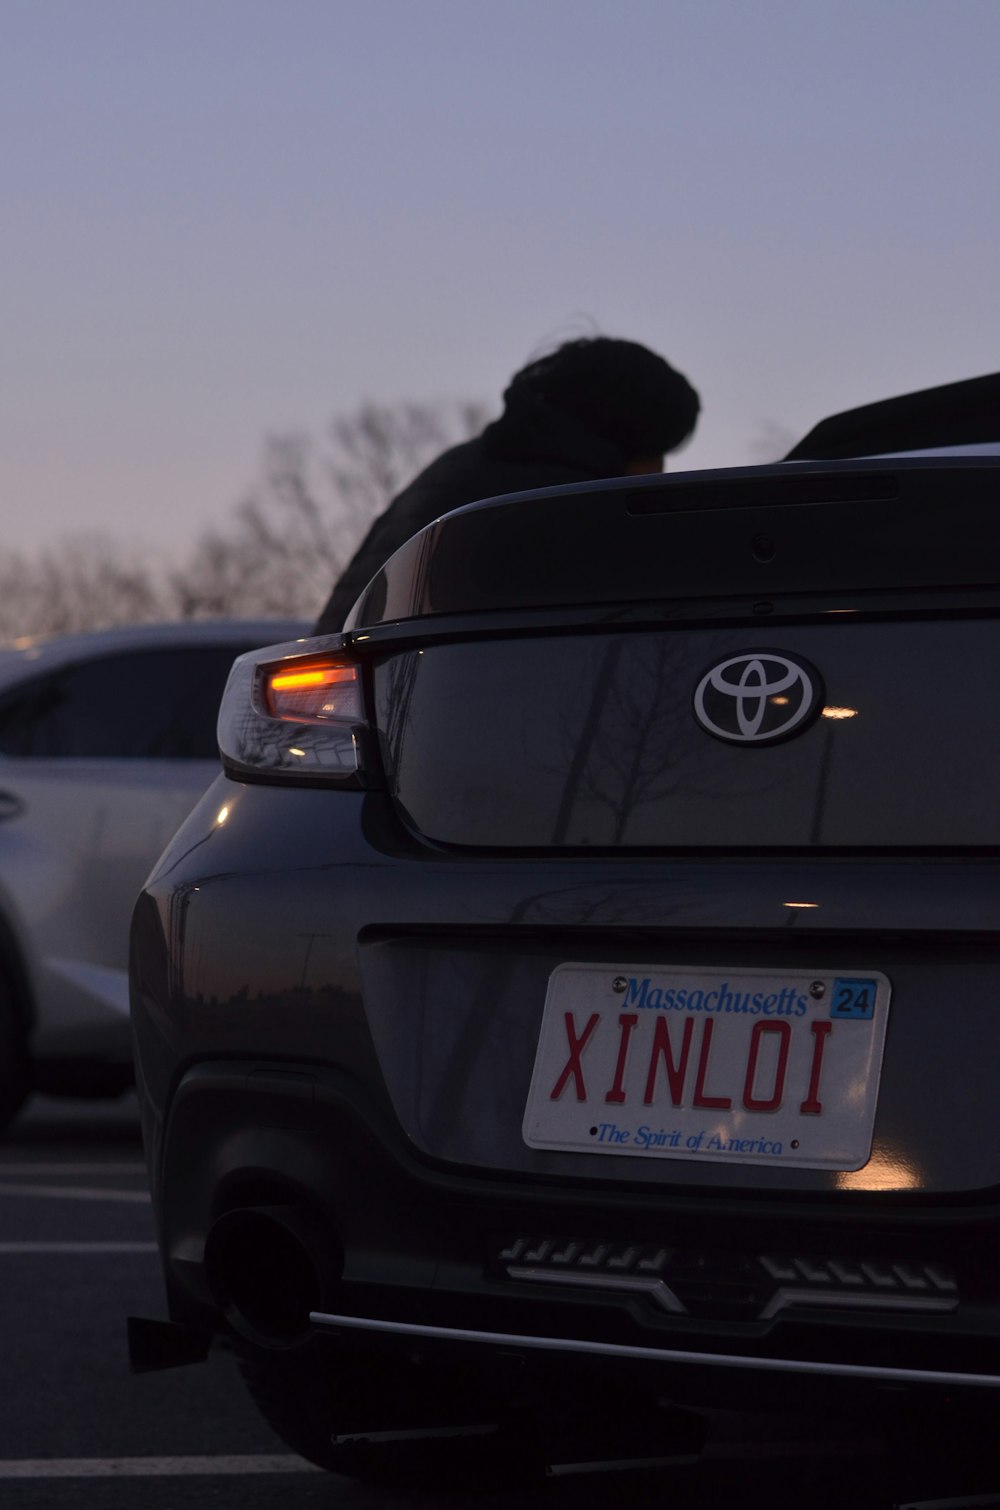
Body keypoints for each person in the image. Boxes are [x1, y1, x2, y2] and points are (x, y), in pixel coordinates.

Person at [314, 335, 700, 633]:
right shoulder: (572, 508)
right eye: (659, 451)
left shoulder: (463, 469)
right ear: (630, 436)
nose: (661, 472)